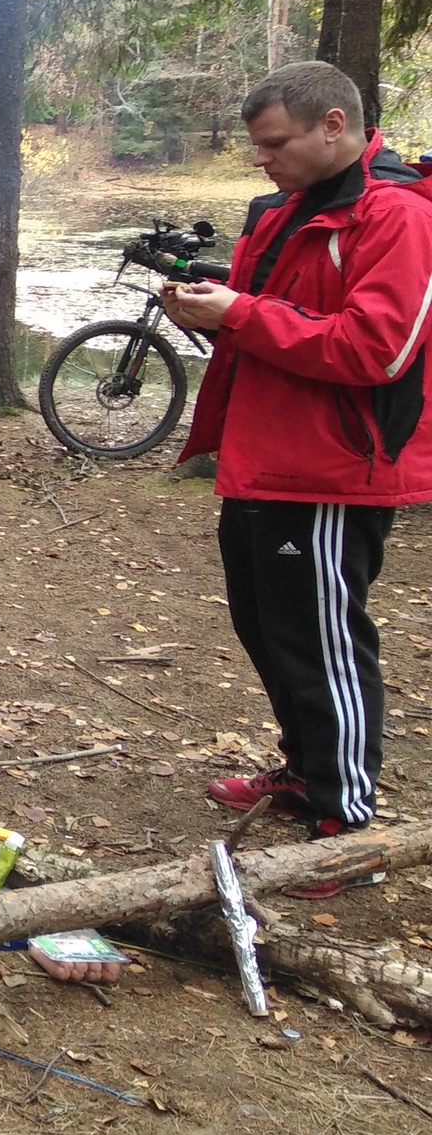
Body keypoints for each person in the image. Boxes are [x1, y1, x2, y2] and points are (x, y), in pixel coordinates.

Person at [166, 61, 432, 899]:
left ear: (332, 125)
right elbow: (265, 325)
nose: (261, 159)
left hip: (330, 469)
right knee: (267, 625)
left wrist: (239, 313)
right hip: (260, 457)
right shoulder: (283, 214)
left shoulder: (396, 216)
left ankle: (345, 818)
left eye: (273, 142)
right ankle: (305, 772)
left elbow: (377, 348)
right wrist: (211, 309)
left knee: (321, 636)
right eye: (256, 146)